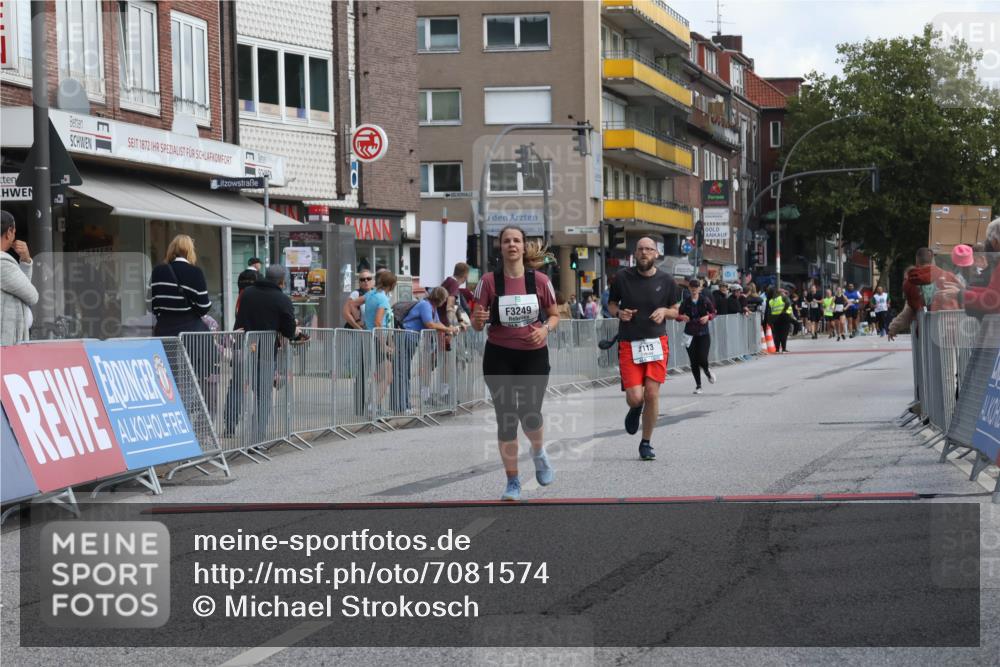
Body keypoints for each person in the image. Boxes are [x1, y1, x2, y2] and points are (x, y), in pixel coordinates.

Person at [471, 226, 559, 501]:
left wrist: (545, 329)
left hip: (533, 355)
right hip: (499, 355)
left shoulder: (540, 281)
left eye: (516, 240)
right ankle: (512, 482)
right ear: (500, 246)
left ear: (523, 246)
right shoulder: (488, 281)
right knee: (506, 418)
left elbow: (555, 314)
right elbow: (476, 323)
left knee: (530, 413)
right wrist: (478, 320)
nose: (512, 244)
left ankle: (539, 452)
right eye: (507, 241)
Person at [608, 237, 682, 462]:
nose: (644, 253)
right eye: (640, 249)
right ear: (635, 253)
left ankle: (646, 442)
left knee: (652, 393)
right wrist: (619, 313)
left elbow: (675, 310)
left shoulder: (667, 281)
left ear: (656, 254)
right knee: (635, 397)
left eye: (649, 249)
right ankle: (635, 408)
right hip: (629, 343)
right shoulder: (622, 277)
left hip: (657, 343)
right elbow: (611, 304)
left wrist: (664, 312)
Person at [225, 265, 303, 441]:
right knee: (263, 396)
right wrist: (293, 329)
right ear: (282, 281)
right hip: (265, 352)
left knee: (236, 387)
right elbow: (289, 330)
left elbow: (241, 317)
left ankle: (229, 425)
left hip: (243, 347)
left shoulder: (247, 293)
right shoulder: (282, 299)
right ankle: (257, 438)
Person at [399, 287, 459, 411]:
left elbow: (438, 323)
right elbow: (430, 324)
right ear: (440, 298)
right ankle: (402, 406)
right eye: (444, 299)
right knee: (403, 372)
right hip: (406, 338)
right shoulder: (425, 305)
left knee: (406, 372)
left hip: (411, 339)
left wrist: (449, 328)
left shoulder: (432, 307)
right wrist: (448, 329)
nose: (445, 302)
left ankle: (405, 404)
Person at [150, 234, 212, 336]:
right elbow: (204, 306)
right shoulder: (195, 272)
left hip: (164, 331)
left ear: (171, 250)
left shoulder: (157, 271)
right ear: (190, 251)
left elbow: (149, 303)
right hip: (189, 334)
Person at [0, 211, 37, 345]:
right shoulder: (3, 263)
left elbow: (20, 288)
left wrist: (25, 260)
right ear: (9, 232)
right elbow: (32, 295)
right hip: (5, 346)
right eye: (14, 232)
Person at [677, 279, 716, 394]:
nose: (694, 289)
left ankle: (707, 372)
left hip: (703, 333)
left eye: (696, 287)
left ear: (700, 288)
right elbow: (677, 315)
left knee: (702, 358)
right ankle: (698, 386)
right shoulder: (686, 301)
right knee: (693, 361)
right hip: (689, 334)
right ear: (689, 288)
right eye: (692, 287)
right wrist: (682, 317)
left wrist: (708, 317)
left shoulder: (705, 300)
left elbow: (714, 312)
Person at [437, 262, 469, 327]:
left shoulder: (449, 280)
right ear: (465, 275)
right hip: (442, 322)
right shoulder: (454, 284)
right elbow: (450, 307)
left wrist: (460, 320)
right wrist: (451, 326)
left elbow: (455, 305)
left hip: (439, 320)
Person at [766, 286, 792, 353]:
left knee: (777, 334)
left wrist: (770, 321)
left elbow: (769, 312)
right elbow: (788, 302)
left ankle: (777, 349)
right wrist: (784, 310)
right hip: (784, 316)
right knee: (784, 333)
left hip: (775, 318)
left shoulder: (771, 301)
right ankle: (783, 349)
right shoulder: (783, 297)